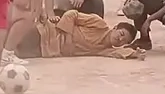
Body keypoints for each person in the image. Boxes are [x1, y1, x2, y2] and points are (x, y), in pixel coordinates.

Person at [13, 10, 145, 60]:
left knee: (19, 55)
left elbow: (119, 53)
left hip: (47, 50)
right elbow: (72, 14)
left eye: (123, 41)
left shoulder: (105, 50)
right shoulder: (99, 24)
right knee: (15, 39)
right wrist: (68, 37)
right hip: (47, 32)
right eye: (121, 34)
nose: (119, 39)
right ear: (115, 27)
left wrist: (135, 54)